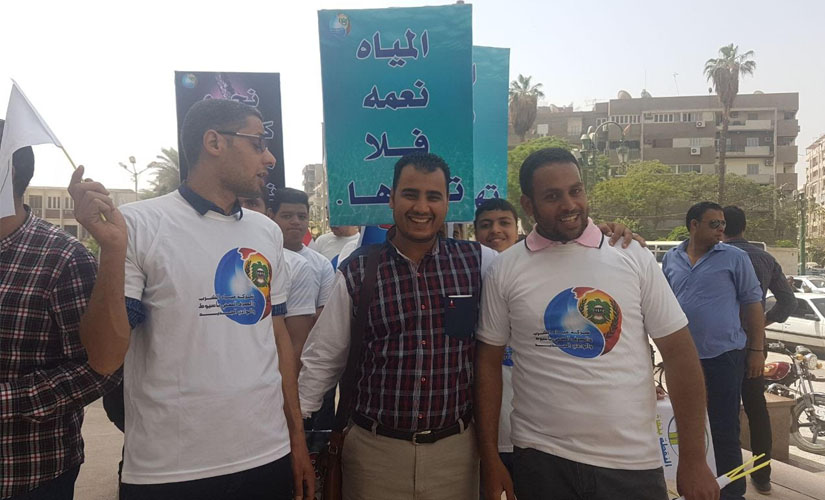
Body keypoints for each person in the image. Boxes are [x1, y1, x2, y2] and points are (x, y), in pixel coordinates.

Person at [298, 152, 639, 500]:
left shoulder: (479, 262)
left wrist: (599, 240)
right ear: (391, 199)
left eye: (434, 196)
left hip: (456, 455)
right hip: (374, 457)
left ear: (448, 203)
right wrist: (296, 436)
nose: (422, 207)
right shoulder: (358, 271)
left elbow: (542, 271)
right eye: (411, 194)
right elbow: (323, 358)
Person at [68, 98, 314, 499]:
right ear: (214, 142)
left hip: (267, 455)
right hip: (169, 470)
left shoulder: (266, 233)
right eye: (257, 143)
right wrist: (111, 250)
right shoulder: (138, 224)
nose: (269, 158)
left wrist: (296, 439)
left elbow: (277, 339)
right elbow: (104, 358)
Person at [475, 148, 718, 500]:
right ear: (528, 205)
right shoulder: (506, 269)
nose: (569, 205)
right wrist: (490, 458)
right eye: (552, 196)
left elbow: (680, 355)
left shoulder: (630, 254)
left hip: (631, 464)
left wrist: (694, 460)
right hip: (541, 462)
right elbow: (487, 365)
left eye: (576, 190)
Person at [0, 120, 121, 500]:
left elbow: (99, 369)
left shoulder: (62, 258)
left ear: (7, 172)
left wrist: (8, 401)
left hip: (26, 474)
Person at [662, 201, 765, 500]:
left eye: (723, 224)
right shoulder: (671, 258)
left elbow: (753, 304)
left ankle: (732, 493)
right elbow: (663, 305)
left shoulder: (735, 257)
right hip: (682, 360)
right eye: (714, 224)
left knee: (723, 429)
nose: (721, 229)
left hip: (724, 357)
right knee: (687, 428)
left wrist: (756, 350)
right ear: (693, 225)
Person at [722, 205, 795, 495]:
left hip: (721, 345)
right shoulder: (765, 258)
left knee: (723, 408)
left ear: (721, 227)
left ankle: (725, 475)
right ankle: (762, 475)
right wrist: (762, 321)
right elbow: (788, 302)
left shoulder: (716, 256)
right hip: (754, 344)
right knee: (756, 407)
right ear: (744, 227)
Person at [240, 194, 320, 362]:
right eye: (287, 216)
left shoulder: (296, 264)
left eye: (252, 203)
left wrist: (289, 379)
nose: (243, 210)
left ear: (266, 214)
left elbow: (295, 342)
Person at [473, 198, 520, 476]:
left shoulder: (540, 270)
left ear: (517, 228)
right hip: (486, 426)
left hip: (535, 426)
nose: (495, 231)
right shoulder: (465, 273)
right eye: (486, 225)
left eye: (504, 223)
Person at [268, 188, 334, 315]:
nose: (296, 222)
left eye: (302, 217)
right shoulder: (261, 257)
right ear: (271, 216)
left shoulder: (323, 265)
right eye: (287, 216)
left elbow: (324, 314)